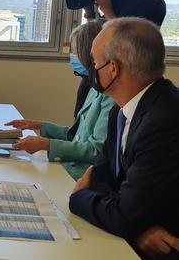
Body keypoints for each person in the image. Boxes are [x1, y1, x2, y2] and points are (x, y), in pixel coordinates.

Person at [69, 18, 179, 259]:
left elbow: (123, 216)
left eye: (95, 63)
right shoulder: (120, 111)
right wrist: (134, 222)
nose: (91, 70)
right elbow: (101, 176)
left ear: (113, 68)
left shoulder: (164, 120)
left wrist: (78, 198)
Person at [4, 20, 115, 180]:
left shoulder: (111, 98)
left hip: (82, 177)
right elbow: (76, 136)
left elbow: (96, 151)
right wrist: (40, 126)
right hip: (69, 169)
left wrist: (47, 144)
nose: (73, 57)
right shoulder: (94, 89)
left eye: (76, 52)